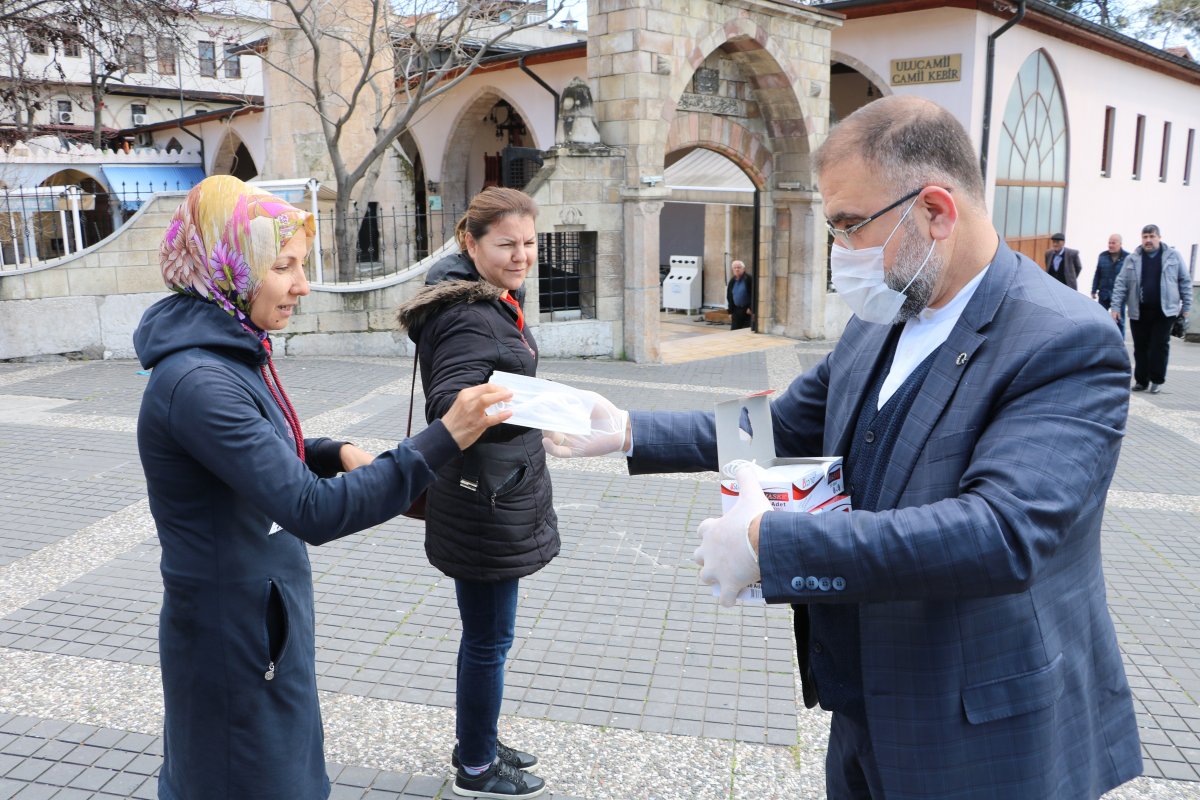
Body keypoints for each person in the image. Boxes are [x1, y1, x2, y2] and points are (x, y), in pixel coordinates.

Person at [545, 97, 1141, 799]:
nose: (838, 251)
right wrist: (630, 429)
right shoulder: (886, 314)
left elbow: (1003, 533)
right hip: (865, 702)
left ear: (936, 212)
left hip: (982, 727)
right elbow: (781, 424)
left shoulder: (1064, 341)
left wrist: (769, 543)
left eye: (850, 225)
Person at [135, 175, 512, 800]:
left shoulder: (225, 352)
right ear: (228, 266)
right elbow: (312, 510)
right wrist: (443, 437)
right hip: (234, 638)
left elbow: (263, 450)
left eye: (301, 265)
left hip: (259, 621)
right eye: (283, 266)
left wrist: (333, 452)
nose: (303, 286)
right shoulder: (199, 381)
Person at [397, 187, 555, 800]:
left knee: (487, 637)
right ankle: (476, 766)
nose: (522, 256)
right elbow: (450, 405)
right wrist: (538, 409)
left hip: (489, 492)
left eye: (530, 243)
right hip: (485, 501)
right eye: (507, 244)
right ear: (470, 241)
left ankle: (477, 737)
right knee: (489, 641)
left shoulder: (487, 297)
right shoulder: (469, 313)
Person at [1110, 224, 1191, 394]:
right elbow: (1121, 284)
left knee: (1159, 346)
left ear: (1159, 238)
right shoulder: (1132, 258)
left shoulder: (1173, 256)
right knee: (1140, 347)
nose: (1148, 240)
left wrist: (1186, 307)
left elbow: (1184, 280)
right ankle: (1141, 380)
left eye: (1152, 236)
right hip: (1139, 311)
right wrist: (1115, 307)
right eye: (1145, 237)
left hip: (1164, 311)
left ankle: (1157, 380)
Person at [1092, 233, 1129, 336]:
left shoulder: (1127, 257)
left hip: (1119, 296)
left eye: (1113, 243)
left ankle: (1120, 343)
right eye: (1109, 243)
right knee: (1101, 320)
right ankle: (1101, 341)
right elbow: (1097, 274)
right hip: (1104, 294)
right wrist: (1094, 290)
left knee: (1119, 321)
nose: (1110, 245)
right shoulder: (1102, 256)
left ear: (1120, 244)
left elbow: (1130, 278)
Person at [726, 259, 754, 330]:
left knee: (746, 331)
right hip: (736, 310)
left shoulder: (749, 279)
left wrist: (751, 308)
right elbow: (729, 297)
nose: (737, 269)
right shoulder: (732, 281)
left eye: (739, 267)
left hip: (747, 310)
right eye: (735, 268)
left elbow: (754, 294)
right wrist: (730, 311)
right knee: (734, 331)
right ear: (732, 269)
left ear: (743, 269)